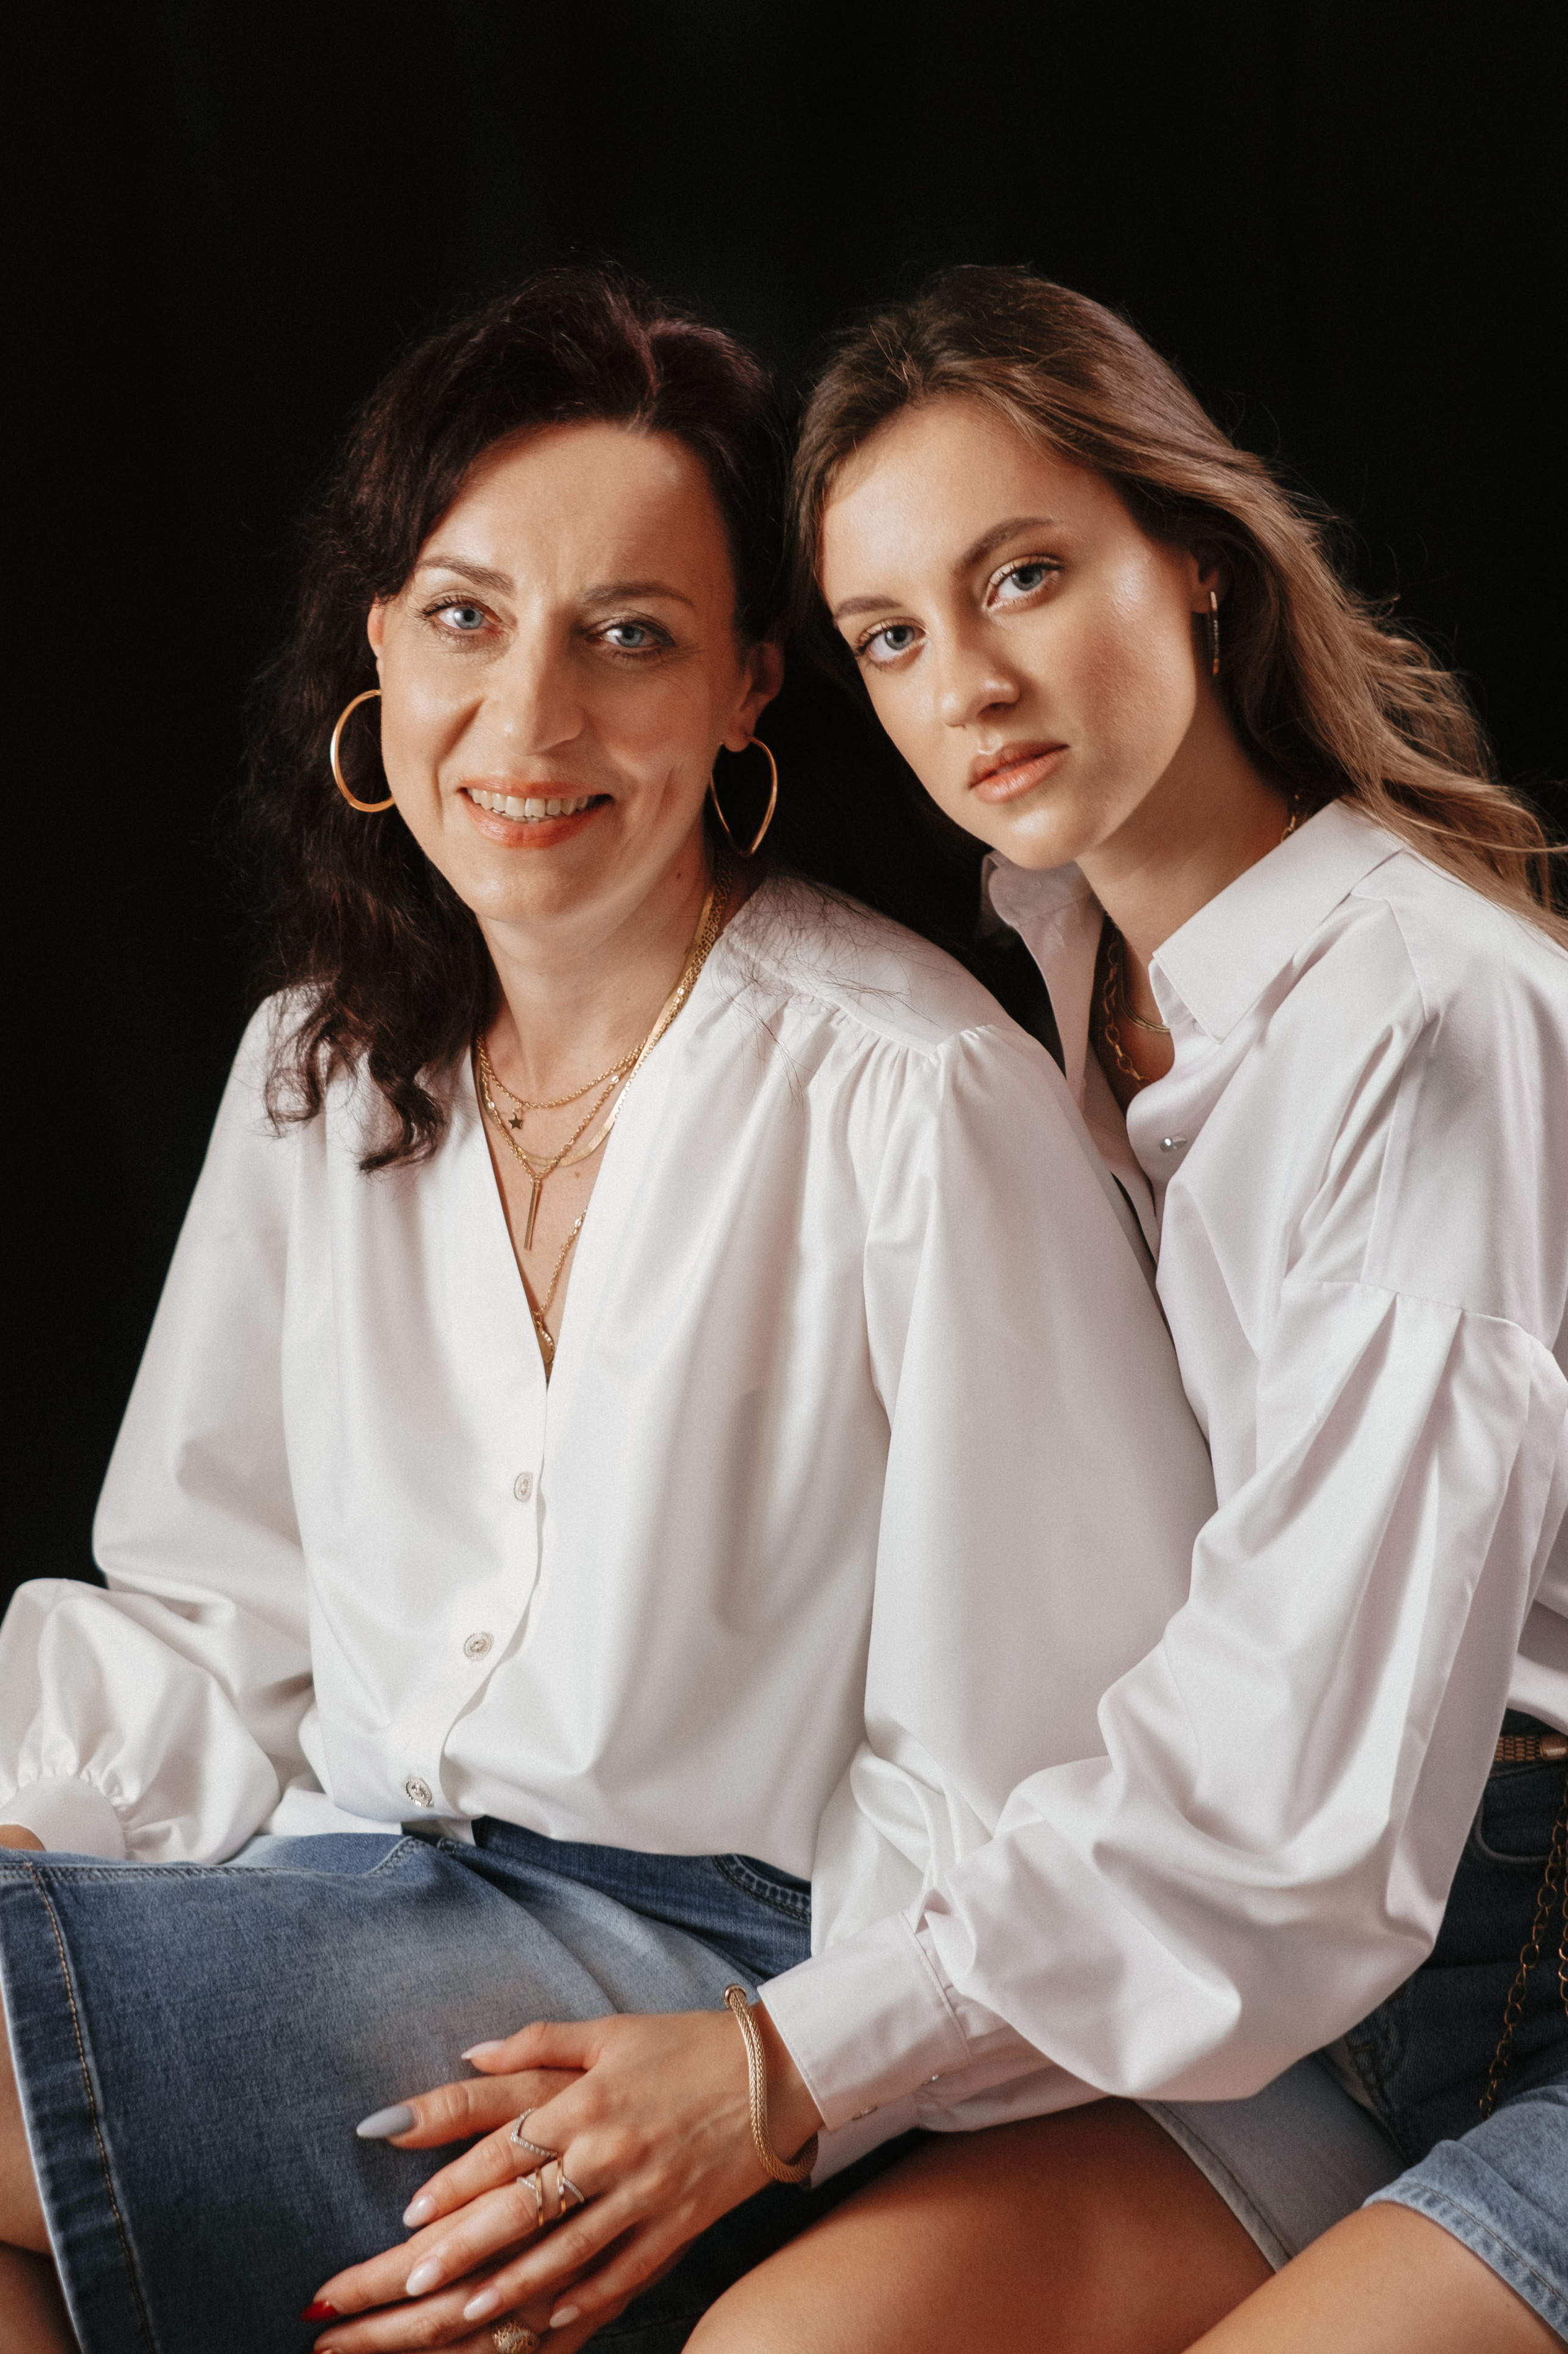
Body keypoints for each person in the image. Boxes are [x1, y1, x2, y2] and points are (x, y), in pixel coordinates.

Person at [0, 269, 1216, 2354]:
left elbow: (1033, 1760)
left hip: (714, 1996)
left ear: (751, 685)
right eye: (468, 618)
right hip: (338, 1895)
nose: (534, 722)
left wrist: (795, 2082)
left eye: (627, 639)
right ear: (377, 649)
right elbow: (216, 1615)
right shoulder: (321, 1061)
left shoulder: (908, 1096)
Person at [693, 265, 1567, 2352]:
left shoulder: (1423, 1021)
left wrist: (785, 2067)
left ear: (1193, 558)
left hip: (1458, 1890)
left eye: (1023, 576)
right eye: (892, 636)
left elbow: (1303, 1797)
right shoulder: (1080, 964)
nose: (966, 684)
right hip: (1349, 1960)